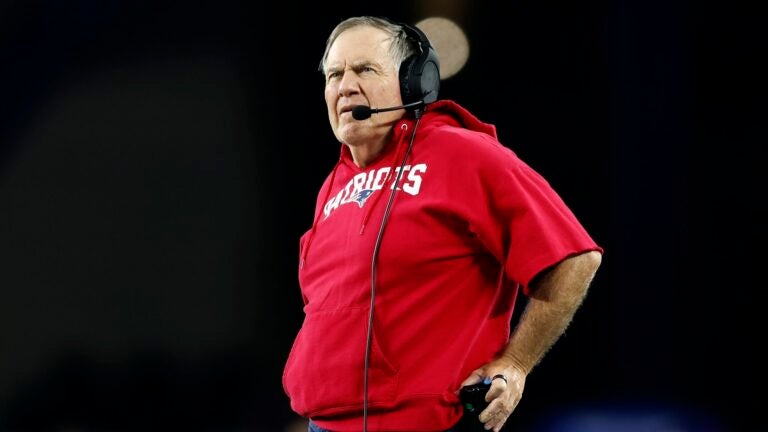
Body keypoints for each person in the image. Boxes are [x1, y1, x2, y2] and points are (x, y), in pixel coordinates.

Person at [281, 15, 603, 432]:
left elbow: (575, 257)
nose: (344, 86)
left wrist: (517, 362)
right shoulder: (334, 184)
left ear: (415, 83)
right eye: (334, 74)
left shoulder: (463, 153)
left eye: (364, 69)